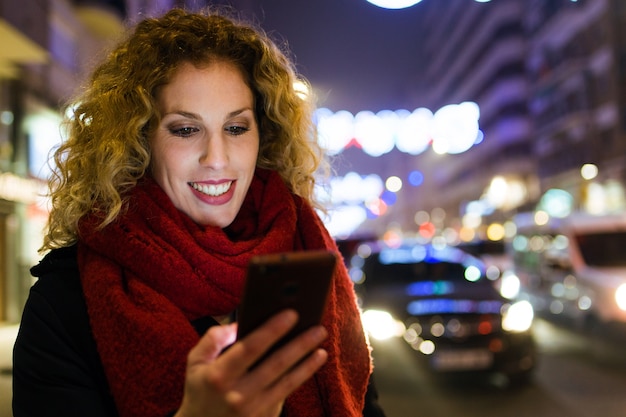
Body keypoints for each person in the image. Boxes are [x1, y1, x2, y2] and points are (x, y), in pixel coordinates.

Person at [12, 7, 386, 417]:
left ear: (264, 136)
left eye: (236, 127)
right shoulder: (64, 300)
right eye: (186, 129)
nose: (217, 158)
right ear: (140, 142)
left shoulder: (307, 262)